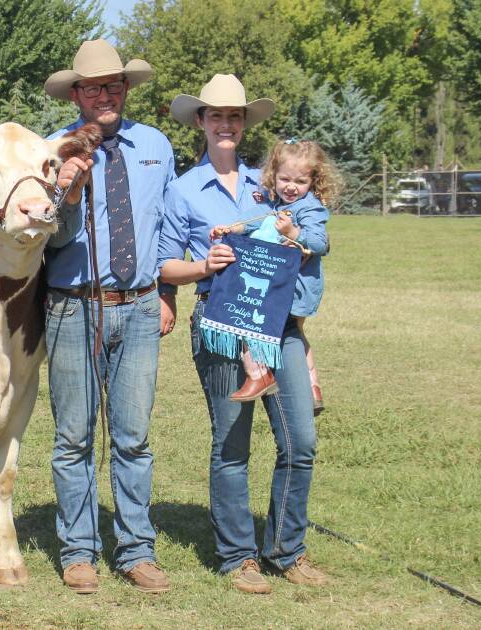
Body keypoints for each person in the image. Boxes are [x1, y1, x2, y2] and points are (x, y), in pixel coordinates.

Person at [160, 74, 328, 594]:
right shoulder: (182, 190)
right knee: (231, 444)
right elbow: (164, 266)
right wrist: (201, 265)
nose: (226, 124)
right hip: (220, 324)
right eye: (216, 116)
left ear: (244, 123)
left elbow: (313, 236)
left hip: (281, 328)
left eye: (235, 116)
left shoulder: (275, 183)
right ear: (201, 123)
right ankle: (238, 557)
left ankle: (286, 549)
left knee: (300, 440)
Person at [40, 38, 176, 595]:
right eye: (94, 86)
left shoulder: (156, 146)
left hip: (141, 306)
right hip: (74, 306)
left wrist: (167, 290)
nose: (105, 94)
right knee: (74, 436)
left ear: (126, 89)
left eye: (114, 85)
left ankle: (136, 550)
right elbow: (44, 238)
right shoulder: (51, 149)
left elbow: (166, 224)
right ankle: (78, 551)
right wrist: (70, 192)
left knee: (134, 436)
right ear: (76, 93)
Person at [213, 139, 338, 413]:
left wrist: (294, 234)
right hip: (279, 286)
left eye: (300, 181)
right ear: (274, 176)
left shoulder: (310, 209)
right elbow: (248, 223)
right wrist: (228, 230)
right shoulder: (271, 205)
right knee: (295, 334)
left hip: (294, 289)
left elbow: (319, 243)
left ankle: (258, 374)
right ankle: (312, 385)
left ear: (313, 181)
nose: (291, 186)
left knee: (248, 319)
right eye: (284, 179)